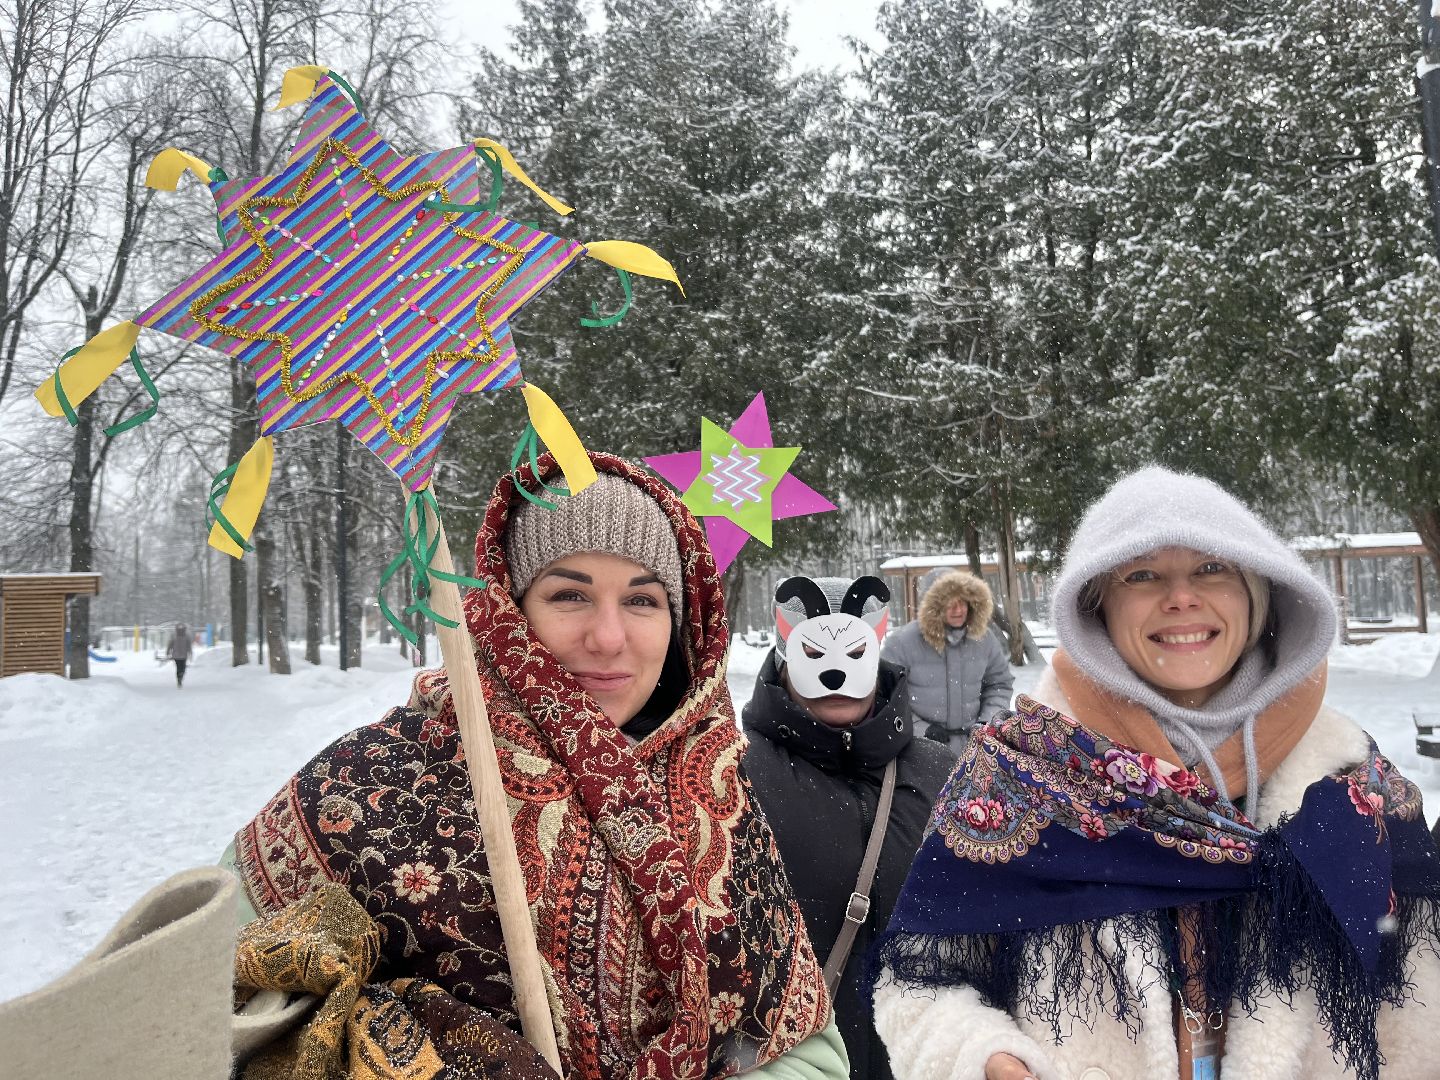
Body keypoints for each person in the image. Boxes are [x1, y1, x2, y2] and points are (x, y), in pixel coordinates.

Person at [229, 453, 846, 1080]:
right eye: (569, 594)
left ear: (679, 623)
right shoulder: (371, 784)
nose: (608, 637)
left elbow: (808, 1049)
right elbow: (199, 1009)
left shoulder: (714, 792)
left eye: (643, 600)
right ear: (508, 611)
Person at [872, 467, 1440, 1080]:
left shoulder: (1356, 783)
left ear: (1257, 592)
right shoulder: (1015, 778)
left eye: (1212, 568)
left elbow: (1418, 997)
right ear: (1099, 608)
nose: (1181, 597)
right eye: (1141, 575)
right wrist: (979, 1056)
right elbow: (919, 978)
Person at [742, 575, 956, 1080]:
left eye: (854, 651)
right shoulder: (734, 773)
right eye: (814, 652)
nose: (835, 674)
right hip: (796, 1066)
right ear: (785, 652)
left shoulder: (941, 773)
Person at [880, 570, 1013, 753]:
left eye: (963, 601)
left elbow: (999, 684)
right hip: (918, 750)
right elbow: (887, 694)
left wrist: (987, 722)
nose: (958, 610)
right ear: (934, 606)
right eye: (950, 602)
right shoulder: (902, 642)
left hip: (973, 750)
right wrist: (921, 729)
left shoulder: (984, 639)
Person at [166, 623, 192, 687]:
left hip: (176, 655)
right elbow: (189, 646)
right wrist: (190, 652)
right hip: (183, 655)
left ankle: (179, 679)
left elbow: (170, 644)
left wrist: (168, 651)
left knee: (179, 667)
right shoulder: (186, 636)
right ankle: (180, 677)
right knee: (182, 667)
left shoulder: (174, 636)